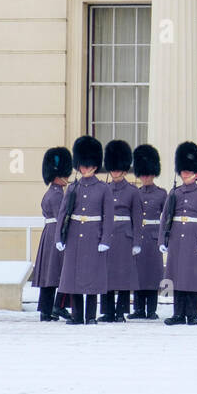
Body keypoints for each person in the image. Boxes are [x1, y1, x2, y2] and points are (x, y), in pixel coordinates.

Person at [55, 135, 113, 325]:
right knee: (74, 278)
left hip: (93, 236)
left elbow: (108, 217)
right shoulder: (73, 188)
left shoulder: (104, 188)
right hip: (74, 236)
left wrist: (105, 240)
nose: (85, 168)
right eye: (82, 165)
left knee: (92, 278)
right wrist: (59, 238)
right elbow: (63, 214)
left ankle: (90, 316)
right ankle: (77, 315)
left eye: (88, 165)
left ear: (95, 166)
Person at [161, 142, 197, 326]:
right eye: (182, 171)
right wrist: (163, 239)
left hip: (195, 240)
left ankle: (192, 314)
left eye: (188, 171)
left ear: (196, 173)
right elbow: (166, 217)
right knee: (176, 278)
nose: (184, 174)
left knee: (192, 278)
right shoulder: (174, 193)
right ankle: (178, 313)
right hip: (177, 240)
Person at [100, 139, 143, 322]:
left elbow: (137, 219)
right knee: (106, 275)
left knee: (124, 276)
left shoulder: (133, 191)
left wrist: (137, 242)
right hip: (108, 236)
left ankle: (121, 312)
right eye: (113, 169)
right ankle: (107, 311)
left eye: (119, 169)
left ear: (125, 170)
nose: (116, 172)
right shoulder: (105, 189)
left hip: (125, 237)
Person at [33, 147, 72, 322]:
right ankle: (60, 305)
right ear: (59, 174)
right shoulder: (57, 195)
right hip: (56, 234)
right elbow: (62, 218)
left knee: (49, 275)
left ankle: (45, 310)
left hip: (48, 235)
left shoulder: (51, 192)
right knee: (64, 272)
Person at [130, 144, 166, 320]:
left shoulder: (161, 194)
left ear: (154, 173)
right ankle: (138, 309)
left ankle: (151, 309)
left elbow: (165, 217)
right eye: (143, 174)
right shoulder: (135, 193)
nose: (145, 177)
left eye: (148, 174)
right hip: (139, 236)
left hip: (153, 238)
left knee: (152, 276)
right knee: (138, 275)